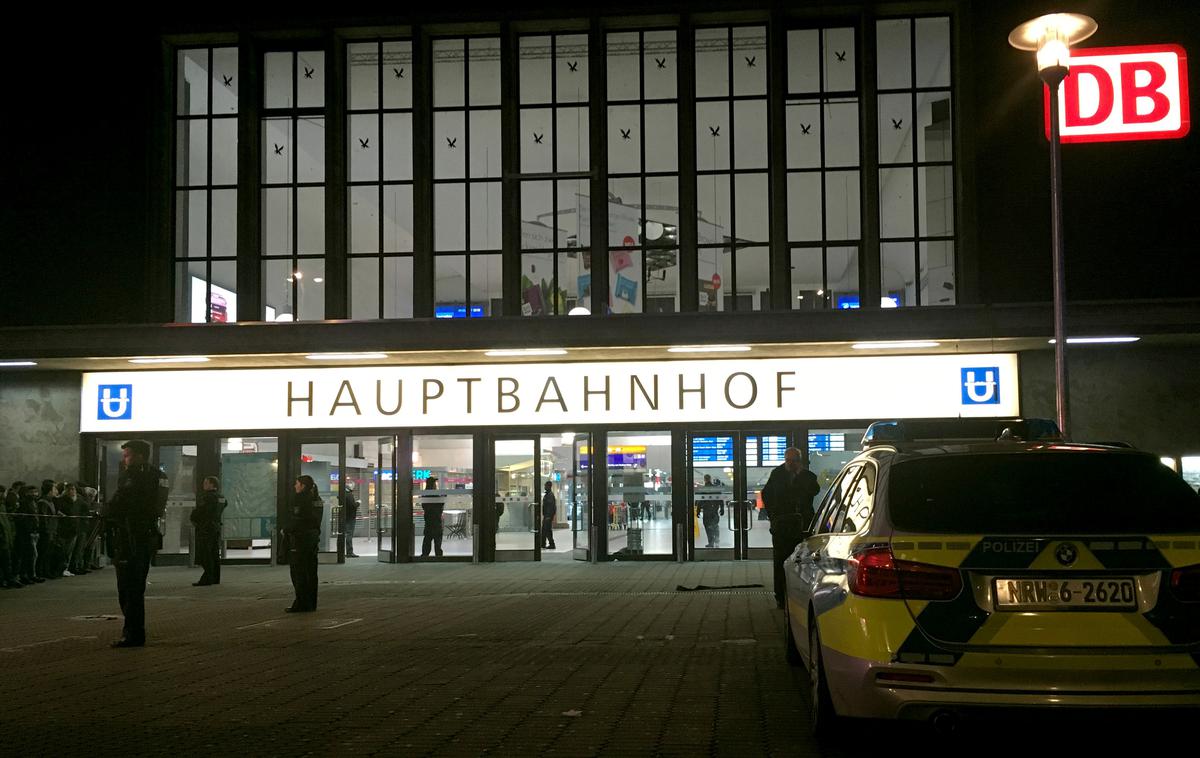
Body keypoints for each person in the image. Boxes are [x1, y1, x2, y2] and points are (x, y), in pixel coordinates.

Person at [106, 439, 169, 647]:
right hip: (145, 534)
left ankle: (132, 633)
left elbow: (122, 502)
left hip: (131, 535)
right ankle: (134, 631)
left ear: (140, 456)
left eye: (128, 455)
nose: (125, 459)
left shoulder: (135, 475)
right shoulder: (159, 476)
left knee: (128, 587)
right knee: (136, 586)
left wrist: (107, 513)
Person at [760, 446, 819, 609]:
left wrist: (800, 475)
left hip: (801, 525)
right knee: (780, 560)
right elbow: (766, 494)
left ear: (799, 461)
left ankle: (799, 595)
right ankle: (780, 596)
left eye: (794, 461)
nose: (791, 464)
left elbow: (814, 490)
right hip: (782, 525)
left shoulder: (807, 476)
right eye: (788, 460)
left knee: (801, 560)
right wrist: (774, 516)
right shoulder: (777, 474)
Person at [285, 475, 322, 613]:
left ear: (303, 486)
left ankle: (301, 603)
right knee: (311, 571)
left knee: (299, 572)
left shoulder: (301, 499)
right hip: (313, 538)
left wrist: (286, 529)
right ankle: (311, 603)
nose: (295, 486)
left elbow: (298, 520)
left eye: (297, 484)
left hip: (301, 539)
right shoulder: (317, 500)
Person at [190, 476, 226, 586]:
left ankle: (207, 578)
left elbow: (200, 512)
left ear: (212, 485)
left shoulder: (207, 498)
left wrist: (194, 518)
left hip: (206, 528)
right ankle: (215, 578)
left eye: (206, 483)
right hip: (216, 527)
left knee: (206, 554)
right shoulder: (221, 497)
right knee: (214, 553)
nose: (203, 485)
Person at [419, 477, 444, 558]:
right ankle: (438, 556)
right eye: (435, 483)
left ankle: (425, 555)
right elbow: (440, 505)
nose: (436, 485)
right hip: (436, 520)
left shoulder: (425, 495)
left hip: (428, 520)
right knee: (437, 540)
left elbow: (424, 506)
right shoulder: (436, 495)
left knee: (427, 539)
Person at [342, 481, 360, 557]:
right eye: (353, 486)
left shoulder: (343, 494)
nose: (353, 487)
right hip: (350, 517)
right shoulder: (349, 495)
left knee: (345, 534)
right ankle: (349, 552)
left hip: (345, 516)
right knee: (349, 534)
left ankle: (342, 552)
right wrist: (358, 503)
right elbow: (352, 506)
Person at [540, 481, 557, 550]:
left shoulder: (550, 495)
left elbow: (550, 506)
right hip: (546, 515)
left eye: (545, 486)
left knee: (547, 530)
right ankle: (543, 544)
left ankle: (551, 544)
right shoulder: (547, 494)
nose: (545, 487)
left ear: (549, 486)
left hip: (548, 516)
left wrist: (548, 516)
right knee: (544, 530)